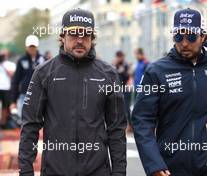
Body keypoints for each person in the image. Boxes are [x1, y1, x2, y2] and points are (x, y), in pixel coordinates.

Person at [132, 8, 207, 176]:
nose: (184, 43)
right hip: (169, 167)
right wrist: (154, 164)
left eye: (191, 36)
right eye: (178, 36)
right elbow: (142, 120)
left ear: (203, 37)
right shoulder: (156, 71)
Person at [18, 9, 127, 176]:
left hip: (97, 171)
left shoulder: (109, 74)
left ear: (92, 38)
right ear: (62, 36)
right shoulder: (44, 73)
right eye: (74, 34)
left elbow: (116, 128)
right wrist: (26, 171)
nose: (80, 40)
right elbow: (30, 126)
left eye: (85, 35)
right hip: (55, 170)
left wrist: (119, 172)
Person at [9, 35, 45, 120]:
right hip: (24, 95)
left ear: (37, 46)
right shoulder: (21, 61)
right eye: (30, 46)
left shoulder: (43, 59)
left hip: (41, 95)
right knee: (24, 119)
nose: (32, 48)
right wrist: (13, 101)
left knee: (40, 119)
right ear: (26, 47)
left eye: (34, 46)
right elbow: (16, 80)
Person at [113, 51, 132, 133]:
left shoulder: (126, 65)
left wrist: (123, 71)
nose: (120, 58)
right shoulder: (114, 65)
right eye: (119, 57)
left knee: (126, 108)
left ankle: (130, 126)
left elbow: (129, 76)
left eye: (121, 56)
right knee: (116, 107)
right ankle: (118, 126)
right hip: (117, 88)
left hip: (125, 89)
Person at [0, 49, 16, 127]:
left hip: (6, 88)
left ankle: (3, 123)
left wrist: (4, 67)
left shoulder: (10, 64)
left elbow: (12, 75)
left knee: (5, 106)